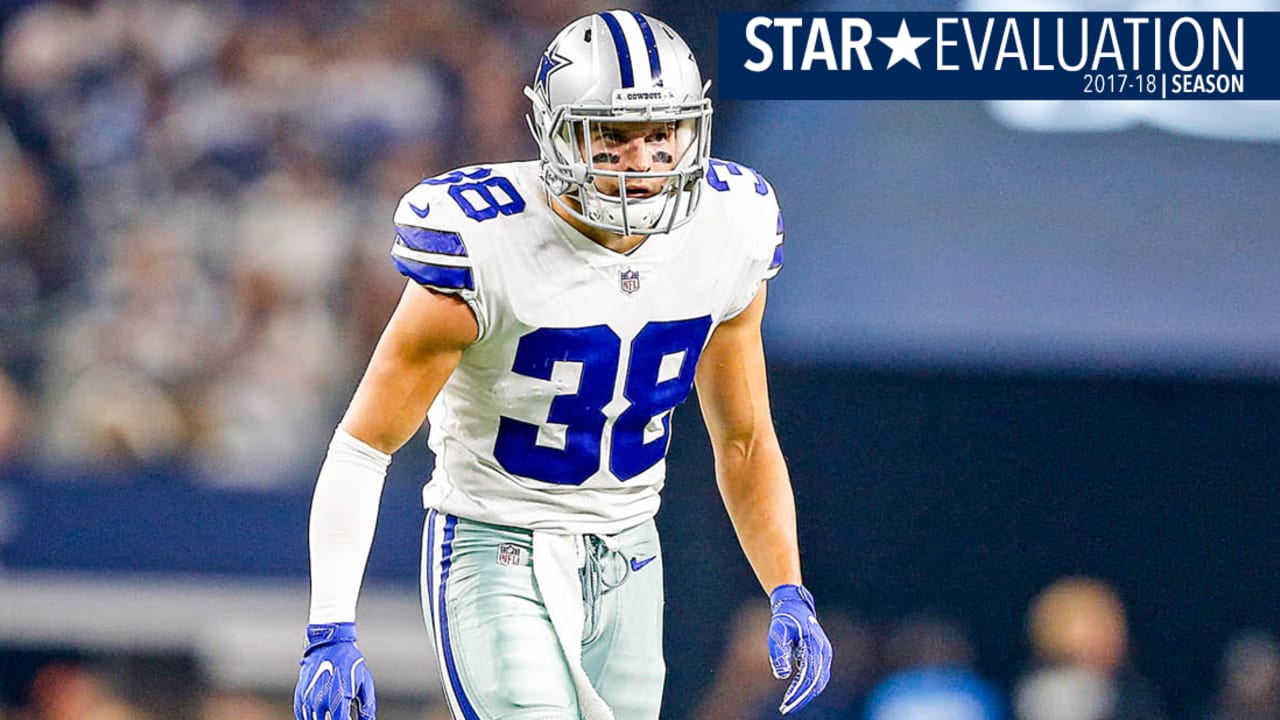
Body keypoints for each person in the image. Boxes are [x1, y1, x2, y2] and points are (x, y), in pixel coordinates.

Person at [292, 9, 832, 720]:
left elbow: (745, 437)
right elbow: (364, 446)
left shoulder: (732, 227)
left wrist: (787, 587)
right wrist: (331, 622)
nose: (641, 162)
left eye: (662, 133)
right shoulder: (484, 242)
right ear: (555, 131)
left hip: (632, 546)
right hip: (493, 542)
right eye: (612, 135)